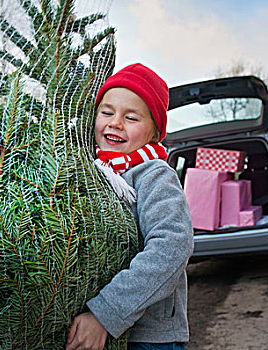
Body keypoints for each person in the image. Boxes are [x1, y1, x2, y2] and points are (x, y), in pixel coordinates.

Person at [66, 63, 194, 350]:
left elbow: (171, 248)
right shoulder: (89, 171)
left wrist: (105, 313)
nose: (115, 123)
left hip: (147, 338)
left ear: (153, 133)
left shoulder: (154, 176)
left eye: (131, 117)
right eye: (107, 112)